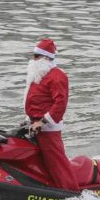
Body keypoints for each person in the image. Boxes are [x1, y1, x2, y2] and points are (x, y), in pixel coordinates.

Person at [23, 38, 79, 191]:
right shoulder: (40, 73)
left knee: (57, 163)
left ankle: (72, 193)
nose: (32, 60)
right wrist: (28, 119)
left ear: (45, 58)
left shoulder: (57, 76)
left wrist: (43, 121)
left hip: (47, 128)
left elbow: (60, 103)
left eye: (35, 56)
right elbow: (37, 100)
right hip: (34, 125)